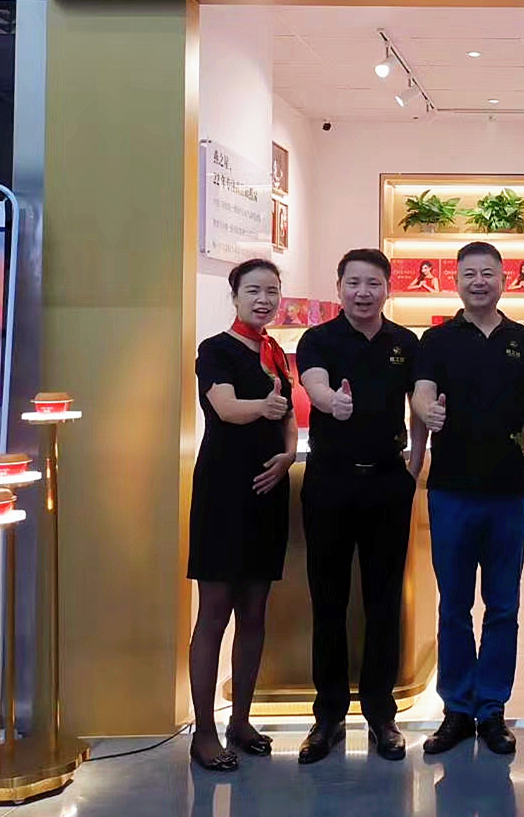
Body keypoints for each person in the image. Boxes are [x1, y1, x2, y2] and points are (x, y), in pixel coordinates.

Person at [411, 241, 524, 757]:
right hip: (451, 491)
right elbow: (421, 392)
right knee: (454, 606)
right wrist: (427, 412)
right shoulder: (437, 339)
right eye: (469, 274)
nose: (479, 282)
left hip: (508, 492)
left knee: (504, 606)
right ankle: (456, 708)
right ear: (456, 281)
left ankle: (492, 708)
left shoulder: (522, 339)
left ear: (504, 280)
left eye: (488, 273)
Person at [295, 248, 426, 764]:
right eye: (353, 283)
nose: (363, 292)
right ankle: (327, 717)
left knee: (383, 601)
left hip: (387, 483)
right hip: (329, 481)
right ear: (340, 287)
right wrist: (332, 402)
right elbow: (314, 383)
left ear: (388, 288)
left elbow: (419, 400)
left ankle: (380, 714)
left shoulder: (405, 343)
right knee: (327, 601)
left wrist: (416, 458)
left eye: (373, 283)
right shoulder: (318, 339)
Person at [187, 259, 296, 770]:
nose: (263, 300)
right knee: (214, 612)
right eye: (253, 290)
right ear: (234, 296)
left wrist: (288, 455)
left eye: (272, 291)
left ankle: (241, 721)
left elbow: (289, 415)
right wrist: (263, 409)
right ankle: (204, 732)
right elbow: (227, 408)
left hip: (268, 490)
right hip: (224, 491)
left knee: (255, 611)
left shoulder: (275, 353)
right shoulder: (216, 350)